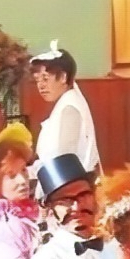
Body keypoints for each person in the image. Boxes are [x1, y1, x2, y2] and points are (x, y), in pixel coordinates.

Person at [31, 43, 100, 173]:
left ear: (63, 77)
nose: (40, 86)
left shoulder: (70, 108)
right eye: (37, 80)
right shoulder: (65, 102)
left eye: (45, 79)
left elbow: (65, 161)